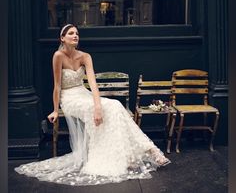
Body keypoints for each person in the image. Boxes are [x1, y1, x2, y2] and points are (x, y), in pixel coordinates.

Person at [15, 24, 170, 186]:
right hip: (69, 98)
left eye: (77, 33)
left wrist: (97, 106)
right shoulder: (58, 56)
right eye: (71, 33)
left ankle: (149, 151)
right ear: (62, 38)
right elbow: (57, 86)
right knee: (98, 108)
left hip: (84, 93)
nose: (75, 36)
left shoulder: (85, 56)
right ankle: (133, 154)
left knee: (114, 105)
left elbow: (93, 84)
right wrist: (55, 110)